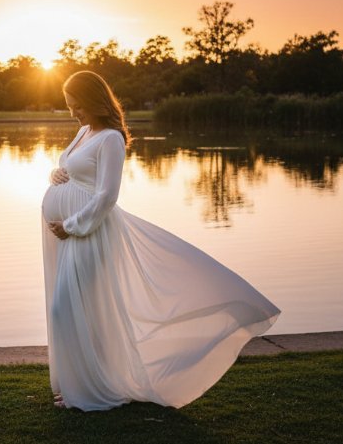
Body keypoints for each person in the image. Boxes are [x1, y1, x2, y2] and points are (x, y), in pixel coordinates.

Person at [40, 71, 280, 411]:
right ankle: (80, 386)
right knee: (78, 312)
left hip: (88, 234)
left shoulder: (111, 138)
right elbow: (70, 168)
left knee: (66, 308)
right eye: (69, 107)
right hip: (70, 235)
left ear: (93, 101)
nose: (72, 113)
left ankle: (93, 390)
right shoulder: (84, 132)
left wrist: (73, 224)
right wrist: (55, 174)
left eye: (76, 106)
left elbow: (107, 195)